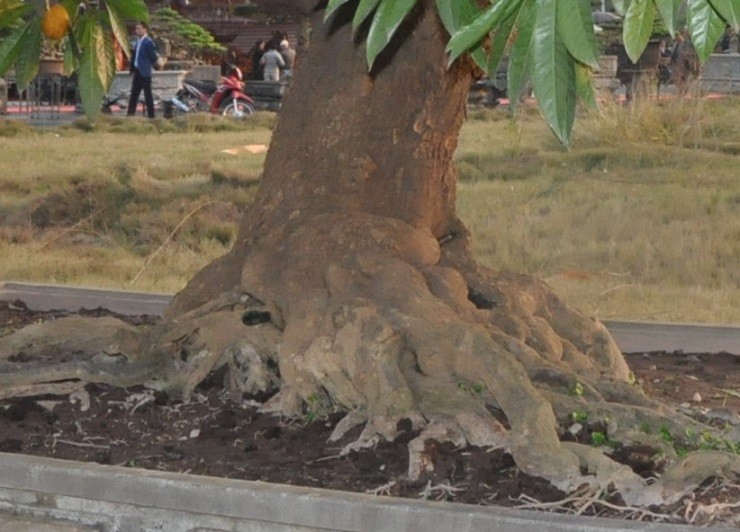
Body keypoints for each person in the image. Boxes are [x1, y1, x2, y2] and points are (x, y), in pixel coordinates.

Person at [127, 21, 158, 118]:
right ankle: (130, 115)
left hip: (145, 72)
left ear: (145, 29)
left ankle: (151, 116)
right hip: (137, 71)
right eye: (136, 29)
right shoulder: (137, 41)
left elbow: (153, 57)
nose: (137, 30)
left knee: (148, 95)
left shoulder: (148, 42)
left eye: (139, 28)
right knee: (133, 95)